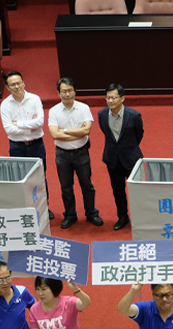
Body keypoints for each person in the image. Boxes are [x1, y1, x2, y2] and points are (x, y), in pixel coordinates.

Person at [49, 77, 102, 229]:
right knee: (66, 187)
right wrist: (77, 132)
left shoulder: (83, 108)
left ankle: (91, 213)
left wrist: (64, 130)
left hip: (81, 153)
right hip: (62, 155)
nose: (67, 94)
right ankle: (70, 215)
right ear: (59, 93)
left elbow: (87, 130)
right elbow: (55, 134)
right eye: (64, 91)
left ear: (75, 91)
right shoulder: (53, 111)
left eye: (70, 91)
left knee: (87, 185)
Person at [0, 71, 53, 219]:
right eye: (13, 85)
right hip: (17, 147)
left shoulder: (34, 99)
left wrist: (18, 124)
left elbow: (40, 122)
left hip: (37, 145)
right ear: (7, 87)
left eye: (19, 83)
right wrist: (31, 125)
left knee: (40, 177)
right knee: (21, 179)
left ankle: (44, 207)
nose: (17, 86)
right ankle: (26, 209)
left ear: (23, 83)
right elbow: (9, 129)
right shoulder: (5, 105)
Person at [98, 83, 144, 231]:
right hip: (112, 159)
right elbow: (106, 133)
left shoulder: (134, 115)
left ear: (122, 98)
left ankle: (140, 218)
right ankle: (122, 217)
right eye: (108, 98)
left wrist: (128, 148)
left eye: (114, 98)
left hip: (131, 158)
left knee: (137, 190)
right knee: (117, 190)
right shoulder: (101, 115)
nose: (110, 101)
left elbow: (139, 134)